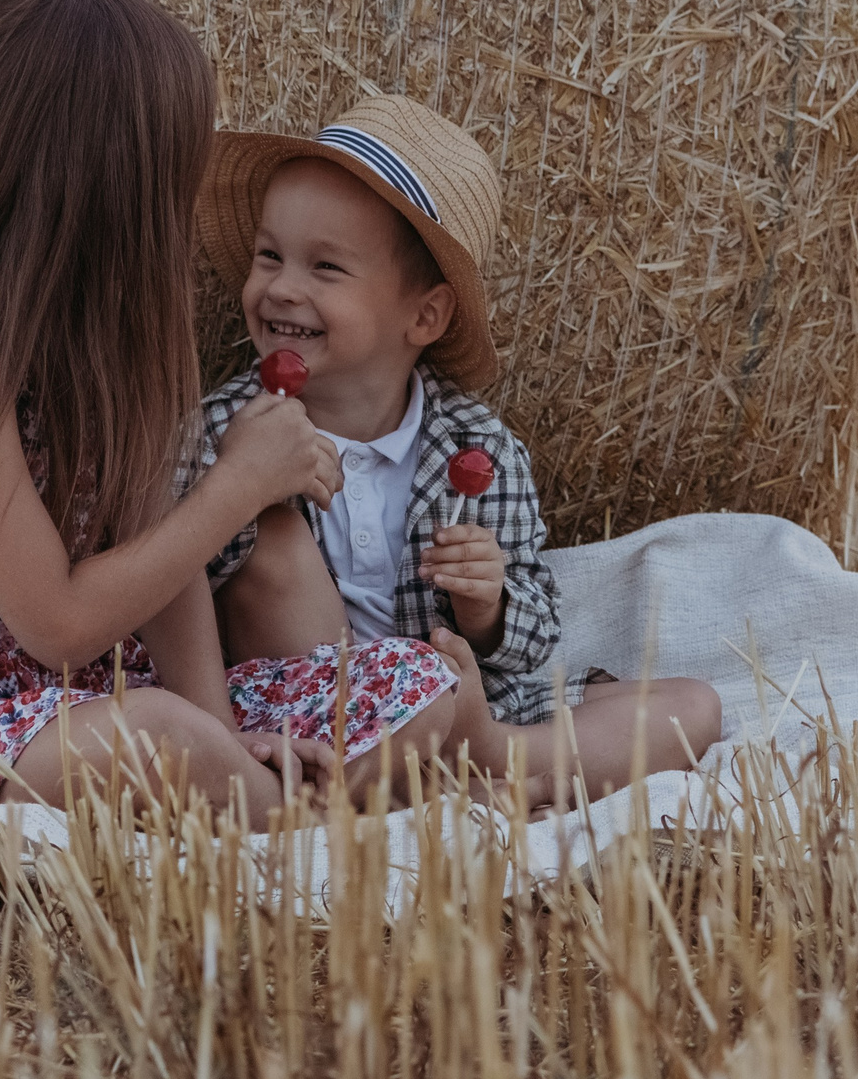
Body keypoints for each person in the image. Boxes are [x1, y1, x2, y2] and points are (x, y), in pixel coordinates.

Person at [0, 0, 467, 825]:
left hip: (91, 694)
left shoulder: (99, 337)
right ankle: (292, 819)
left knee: (419, 687)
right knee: (161, 740)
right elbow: (60, 624)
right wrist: (235, 487)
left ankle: (242, 795)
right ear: (112, 190)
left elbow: (157, 561)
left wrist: (223, 729)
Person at [184, 95, 722, 808]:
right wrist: (242, 487)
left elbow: (535, 638)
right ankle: (426, 779)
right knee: (274, 542)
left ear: (425, 315)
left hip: (466, 707)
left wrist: (487, 606)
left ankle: (486, 757)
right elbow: (175, 580)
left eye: (326, 267)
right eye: (269, 256)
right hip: (303, 714)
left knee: (693, 708)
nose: (282, 288)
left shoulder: (478, 448)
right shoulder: (225, 430)